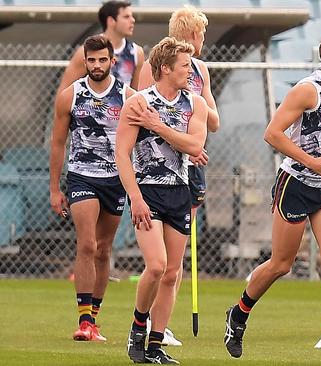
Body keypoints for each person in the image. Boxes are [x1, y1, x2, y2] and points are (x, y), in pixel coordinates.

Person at [223, 32, 321, 366]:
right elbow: (272, 133)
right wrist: (310, 161)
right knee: (281, 264)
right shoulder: (308, 89)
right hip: (297, 183)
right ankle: (239, 313)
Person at [116, 37, 208, 364]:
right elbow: (122, 155)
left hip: (178, 192)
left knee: (171, 273)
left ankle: (155, 345)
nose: (190, 71)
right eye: (185, 66)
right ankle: (138, 326)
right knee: (155, 265)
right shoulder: (138, 103)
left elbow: (196, 144)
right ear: (166, 69)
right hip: (147, 191)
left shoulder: (195, 104)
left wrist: (158, 126)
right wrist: (136, 198)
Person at [138, 5, 221, 347]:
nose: (203, 39)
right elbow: (147, 113)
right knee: (159, 262)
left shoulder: (201, 70)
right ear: (191, 33)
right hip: (158, 169)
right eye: (200, 32)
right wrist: (185, 138)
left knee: (176, 261)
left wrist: (196, 111)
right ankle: (144, 324)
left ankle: (160, 324)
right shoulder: (153, 66)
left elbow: (212, 120)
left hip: (190, 166)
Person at [50, 35, 135, 342]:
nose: (97, 65)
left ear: (112, 61)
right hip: (82, 177)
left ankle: (95, 319)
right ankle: (83, 320)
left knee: (103, 249)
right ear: (84, 61)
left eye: (103, 60)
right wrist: (54, 188)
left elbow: (148, 134)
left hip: (116, 179)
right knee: (86, 244)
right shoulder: (70, 96)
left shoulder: (128, 95)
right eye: (91, 60)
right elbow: (58, 143)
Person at [56, 1, 144, 93]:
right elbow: (64, 91)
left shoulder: (136, 53)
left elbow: (136, 93)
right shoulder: (87, 51)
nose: (133, 20)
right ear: (111, 21)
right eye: (126, 17)